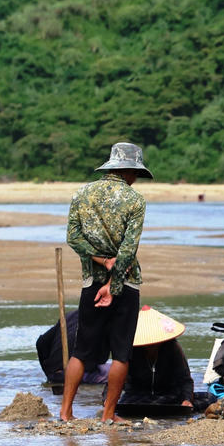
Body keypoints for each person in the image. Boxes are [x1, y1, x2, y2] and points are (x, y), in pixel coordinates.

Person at [59, 141, 150, 424]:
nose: (135, 179)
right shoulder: (135, 201)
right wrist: (113, 284)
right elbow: (127, 249)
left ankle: (65, 413)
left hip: (90, 282)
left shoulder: (82, 193)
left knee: (82, 350)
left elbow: (73, 238)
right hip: (126, 282)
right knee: (121, 352)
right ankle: (108, 416)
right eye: (135, 173)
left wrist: (100, 261)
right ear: (127, 170)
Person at [113, 305, 195, 414]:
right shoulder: (131, 350)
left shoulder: (172, 347)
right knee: (125, 407)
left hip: (168, 394)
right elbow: (116, 378)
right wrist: (108, 401)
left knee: (203, 400)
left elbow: (185, 379)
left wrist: (187, 399)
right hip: (137, 395)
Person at [35, 310, 109, 386]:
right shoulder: (101, 320)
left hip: (55, 374)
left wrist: (49, 371)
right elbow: (101, 359)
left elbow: (41, 342)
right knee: (117, 373)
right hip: (74, 373)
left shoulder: (69, 316)